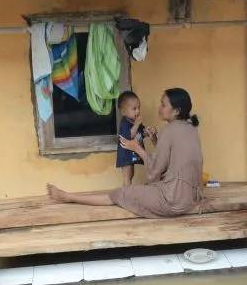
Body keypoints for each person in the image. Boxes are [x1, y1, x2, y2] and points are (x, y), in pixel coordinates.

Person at [47, 88, 203, 218]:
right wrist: (155, 139)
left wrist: (137, 148)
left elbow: (154, 171)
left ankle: (68, 197)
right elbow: (171, 161)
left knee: (120, 194)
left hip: (172, 200)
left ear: (176, 111)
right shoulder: (190, 128)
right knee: (136, 189)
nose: (159, 108)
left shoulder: (169, 130)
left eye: (163, 105)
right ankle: (68, 196)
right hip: (191, 198)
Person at [115, 90, 156, 187]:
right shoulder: (125, 123)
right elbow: (129, 136)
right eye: (134, 109)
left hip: (132, 153)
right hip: (125, 155)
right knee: (127, 176)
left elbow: (141, 133)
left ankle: (127, 193)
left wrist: (147, 132)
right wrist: (137, 124)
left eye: (138, 108)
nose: (137, 111)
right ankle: (125, 195)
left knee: (131, 175)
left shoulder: (135, 122)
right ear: (123, 111)